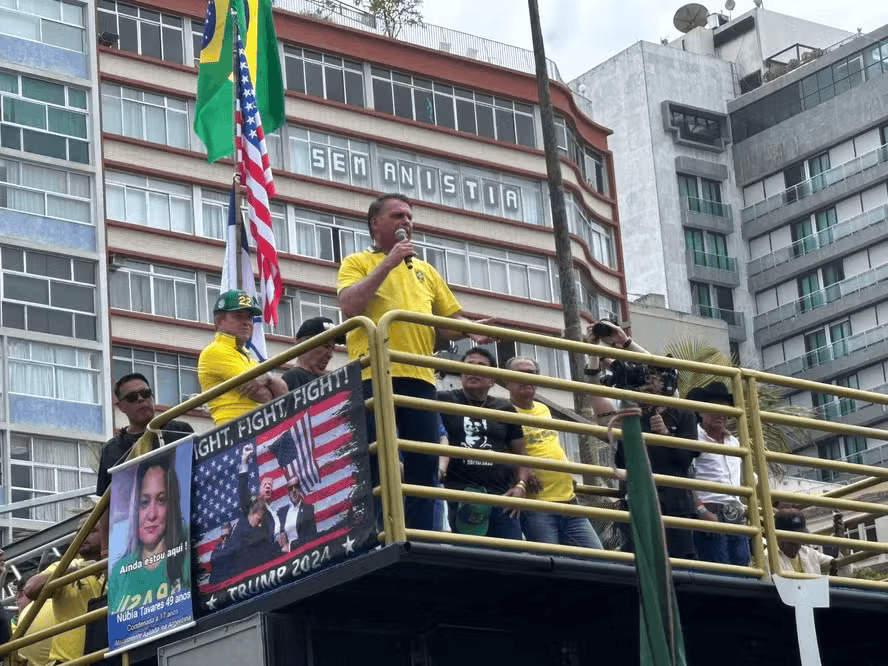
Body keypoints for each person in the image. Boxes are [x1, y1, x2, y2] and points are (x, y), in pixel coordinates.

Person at [336, 193, 491, 531]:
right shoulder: (357, 261)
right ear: (376, 223)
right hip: (373, 375)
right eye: (398, 216)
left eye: (409, 216)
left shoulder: (425, 269)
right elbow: (349, 306)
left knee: (424, 463)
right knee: (378, 460)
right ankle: (379, 532)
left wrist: (472, 332)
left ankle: (423, 535)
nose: (407, 221)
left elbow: (448, 324)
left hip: (421, 377)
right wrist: (388, 263)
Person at [584, 319, 699, 559]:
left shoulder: (680, 410)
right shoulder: (628, 414)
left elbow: (666, 370)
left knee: (683, 561)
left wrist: (624, 340)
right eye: (641, 384)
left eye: (651, 381)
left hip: (675, 502)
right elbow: (593, 388)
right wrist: (593, 348)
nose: (647, 386)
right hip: (637, 497)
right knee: (639, 560)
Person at [436, 348, 539, 539]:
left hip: (502, 498)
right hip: (459, 496)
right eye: (468, 366)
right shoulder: (443, 400)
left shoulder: (504, 408)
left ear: (492, 379)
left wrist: (521, 486)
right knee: (468, 560)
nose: (473, 371)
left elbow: (521, 455)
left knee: (510, 561)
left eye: (481, 366)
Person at [504, 356, 604, 550]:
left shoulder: (543, 409)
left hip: (569, 500)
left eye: (531, 374)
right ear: (507, 380)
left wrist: (565, 472)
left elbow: (550, 445)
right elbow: (500, 451)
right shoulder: (503, 411)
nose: (526, 378)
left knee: (600, 558)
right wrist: (524, 472)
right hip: (538, 505)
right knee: (551, 563)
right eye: (519, 374)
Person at [108, 453, 189, 613]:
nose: (152, 514)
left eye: (161, 500)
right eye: (144, 503)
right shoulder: (119, 572)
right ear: (134, 508)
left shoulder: (187, 552)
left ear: (172, 504)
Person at [198, 289, 288, 425]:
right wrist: (270, 384)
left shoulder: (249, 358)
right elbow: (263, 395)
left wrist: (267, 378)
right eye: (239, 316)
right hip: (233, 433)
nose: (247, 322)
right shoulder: (215, 350)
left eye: (249, 317)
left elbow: (284, 394)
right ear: (219, 322)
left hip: (256, 432)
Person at [96, 373, 193, 498]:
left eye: (145, 393)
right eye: (132, 397)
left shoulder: (180, 431)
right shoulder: (111, 449)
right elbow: (103, 502)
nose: (141, 399)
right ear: (121, 407)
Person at [23, 516, 104, 664]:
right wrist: (77, 570)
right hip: (66, 661)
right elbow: (30, 589)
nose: (83, 535)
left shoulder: (120, 569)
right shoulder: (67, 566)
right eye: (79, 531)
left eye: (92, 530)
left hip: (106, 659)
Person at [687, 381, 750, 566]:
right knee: (720, 571)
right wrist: (701, 511)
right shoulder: (693, 437)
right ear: (701, 411)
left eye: (725, 408)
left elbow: (745, 481)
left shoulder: (735, 443)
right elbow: (685, 476)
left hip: (736, 516)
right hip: (710, 512)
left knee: (743, 571)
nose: (721, 413)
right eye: (714, 407)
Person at [209, 498, 284, 583]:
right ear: (251, 514)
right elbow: (258, 556)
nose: (260, 524)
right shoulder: (243, 533)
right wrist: (278, 547)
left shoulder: (251, 529)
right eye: (259, 520)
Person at [282, 316, 343, 390]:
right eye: (326, 346)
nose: (330, 355)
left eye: (332, 349)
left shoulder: (331, 381)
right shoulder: (294, 377)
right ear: (303, 345)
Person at [770, 509, 834, 575]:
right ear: (782, 536)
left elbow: (836, 563)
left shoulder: (809, 553)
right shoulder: (769, 558)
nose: (798, 542)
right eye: (795, 536)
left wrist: (841, 542)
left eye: (800, 535)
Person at [277, 475, 318, 550]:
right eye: (290, 488)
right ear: (288, 492)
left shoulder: (308, 509)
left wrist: (290, 546)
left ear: (300, 489)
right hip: (285, 556)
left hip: (303, 552)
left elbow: (311, 537)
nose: (294, 490)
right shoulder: (281, 513)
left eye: (296, 486)